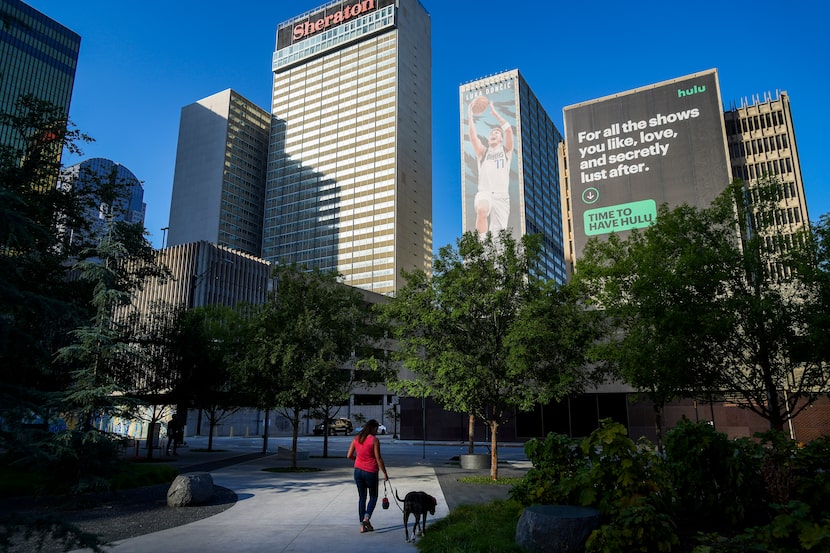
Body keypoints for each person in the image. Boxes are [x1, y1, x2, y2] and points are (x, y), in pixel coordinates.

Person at [467, 99, 515, 240]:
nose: (493, 134)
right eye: (491, 133)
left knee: (499, 239)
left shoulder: (506, 151)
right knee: (482, 210)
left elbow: (508, 130)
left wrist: (495, 114)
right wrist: (470, 116)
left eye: (496, 133)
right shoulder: (483, 152)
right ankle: (480, 246)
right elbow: (473, 136)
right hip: (485, 192)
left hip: (502, 197)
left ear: (500, 139)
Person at [346, 419, 389, 533]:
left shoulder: (357, 438)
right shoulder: (374, 440)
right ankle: (366, 518)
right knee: (373, 497)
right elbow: (378, 458)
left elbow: (349, 455)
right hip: (370, 471)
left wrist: (358, 461)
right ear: (372, 428)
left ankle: (362, 526)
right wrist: (384, 472)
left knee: (362, 498)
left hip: (358, 471)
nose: (377, 431)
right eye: (376, 428)